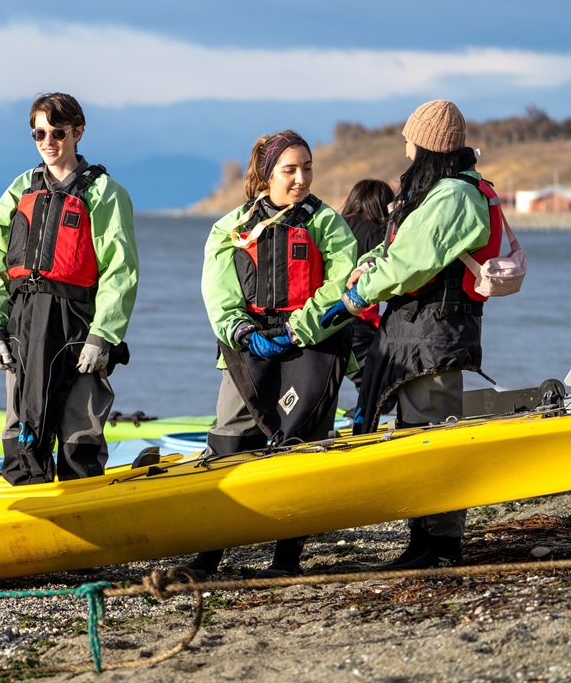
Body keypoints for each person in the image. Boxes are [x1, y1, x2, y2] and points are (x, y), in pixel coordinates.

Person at [321, 100, 498, 570]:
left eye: (410, 141)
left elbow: (413, 262)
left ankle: (441, 547)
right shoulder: (436, 190)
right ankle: (421, 539)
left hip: (438, 331)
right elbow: (397, 250)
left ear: (428, 146)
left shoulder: (457, 196)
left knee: (434, 434)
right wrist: (367, 265)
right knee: (413, 432)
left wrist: (357, 297)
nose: (405, 150)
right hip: (414, 328)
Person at [190, 130, 357, 578]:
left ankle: (286, 561)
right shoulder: (230, 228)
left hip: (313, 346)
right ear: (266, 175)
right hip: (249, 349)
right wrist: (242, 331)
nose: (301, 179)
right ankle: (209, 556)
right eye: (289, 170)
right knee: (228, 441)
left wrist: (297, 330)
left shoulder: (327, 224)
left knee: (302, 450)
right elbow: (218, 294)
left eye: (307, 168)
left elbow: (341, 287)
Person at [0, 92, 139, 485]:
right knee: (20, 423)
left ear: (78, 132)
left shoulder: (104, 193)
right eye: (39, 134)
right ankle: (25, 510)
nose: (48, 142)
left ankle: (82, 506)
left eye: (58, 132)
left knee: (79, 430)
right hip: (23, 327)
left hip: (77, 327)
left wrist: (103, 337)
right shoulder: (21, 189)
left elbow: (120, 271)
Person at [339, 179, 393, 409]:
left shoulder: (336, 226)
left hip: (324, 315)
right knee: (381, 390)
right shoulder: (378, 234)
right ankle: (362, 426)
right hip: (358, 320)